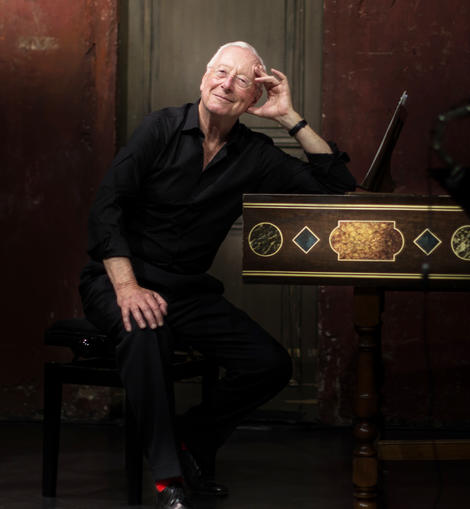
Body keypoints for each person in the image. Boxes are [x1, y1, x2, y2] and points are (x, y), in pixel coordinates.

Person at [78, 41, 355, 509]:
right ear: (204, 77)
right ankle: (169, 479)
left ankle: (190, 441)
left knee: (271, 363)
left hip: (187, 290)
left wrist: (290, 118)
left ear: (252, 99)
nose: (226, 84)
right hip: (119, 278)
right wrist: (127, 287)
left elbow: (337, 189)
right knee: (147, 331)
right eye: (220, 72)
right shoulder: (161, 128)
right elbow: (107, 209)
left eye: (241, 80)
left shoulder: (256, 153)